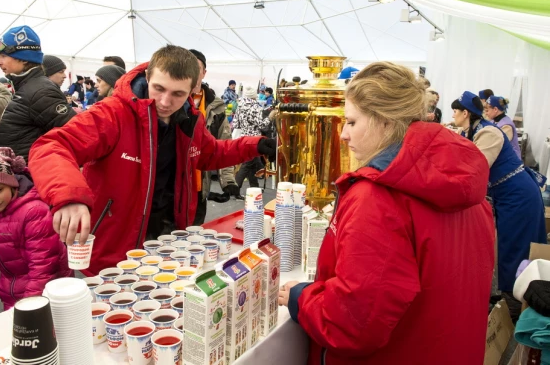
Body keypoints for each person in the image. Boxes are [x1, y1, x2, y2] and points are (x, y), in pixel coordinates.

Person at [280, 62, 495, 365]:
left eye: (352, 122)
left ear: (384, 121)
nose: (343, 135)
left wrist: (302, 298)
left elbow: (352, 325)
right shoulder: (468, 191)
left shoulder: (377, 198)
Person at [28, 45, 276, 276]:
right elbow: (52, 146)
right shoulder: (113, 113)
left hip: (171, 241)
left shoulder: (190, 119)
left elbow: (209, 154)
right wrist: (69, 196)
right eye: (159, 88)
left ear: (193, 90)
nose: (165, 102)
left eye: (178, 94)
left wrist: (254, 144)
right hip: (116, 249)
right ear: (147, 76)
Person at [452, 91, 545, 305]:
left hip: (518, 195)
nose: (454, 115)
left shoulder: (488, 133)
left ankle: (518, 299)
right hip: (506, 194)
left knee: (516, 245)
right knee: (507, 244)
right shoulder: (474, 130)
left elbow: (476, 167)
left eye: (456, 111)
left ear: (465, 113)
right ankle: (513, 294)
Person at [0, 147, 72, 311]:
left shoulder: (34, 211)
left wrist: (28, 306)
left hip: (49, 289)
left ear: (12, 185)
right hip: (10, 290)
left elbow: (42, 265)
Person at [0, 25, 76, 163]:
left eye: (3, 56)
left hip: (29, 177)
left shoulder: (41, 91)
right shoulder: (28, 86)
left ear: (24, 59)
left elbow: (74, 133)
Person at [188, 49, 240, 225]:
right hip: (172, 189)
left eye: (197, 68)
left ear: (204, 72)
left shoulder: (216, 106)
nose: (192, 73)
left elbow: (224, 144)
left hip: (200, 186)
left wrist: (227, 181)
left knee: (195, 233)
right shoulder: (172, 100)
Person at [232, 86, 275, 193]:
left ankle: (254, 187)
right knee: (247, 164)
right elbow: (262, 125)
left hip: (244, 138)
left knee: (252, 163)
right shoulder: (255, 107)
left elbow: (236, 124)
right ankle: (235, 189)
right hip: (254, 140)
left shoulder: (240, 105)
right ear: (254, 96)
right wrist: (270, 116)